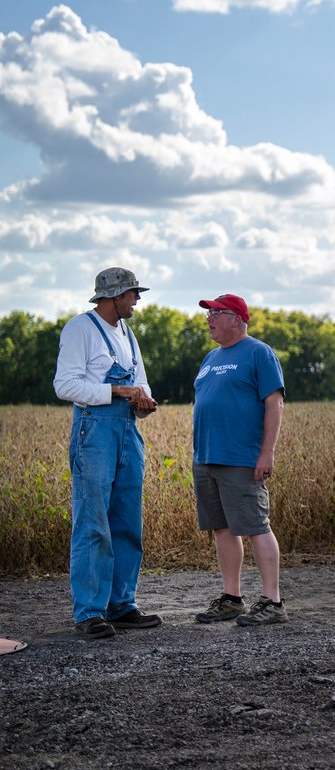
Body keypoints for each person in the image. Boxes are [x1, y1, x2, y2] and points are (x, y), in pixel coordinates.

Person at [54, 267, 162, 639]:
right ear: (113, 295)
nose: (137, 299)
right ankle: (90, 611)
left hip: (127, 430)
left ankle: (121, 605)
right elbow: (64, 384)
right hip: (94, 430)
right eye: (133, 293)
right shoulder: (79, 328)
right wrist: (118, 392)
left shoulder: (128, 333)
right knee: (93, 522)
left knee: (127, 522)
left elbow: (139, 380)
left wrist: (142, 400)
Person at [191, 293, 288, 627]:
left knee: (256, 526)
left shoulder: (258, 352)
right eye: (208, 314)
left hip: (241, 458)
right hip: (206, 458)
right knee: (222, 529)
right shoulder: (210, 358)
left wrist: (267, 452)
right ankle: (232, 599)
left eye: (214, 313)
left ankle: (272, 602)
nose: (209, 319)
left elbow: (274, 404)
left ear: (235, 317)